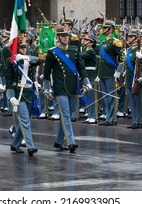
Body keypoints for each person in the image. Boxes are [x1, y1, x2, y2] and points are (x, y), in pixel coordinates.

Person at [43, 25, 92, 153]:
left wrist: (86, 81)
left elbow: (81, 67)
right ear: (58, 37)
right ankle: (71, 141)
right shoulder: (52, 52)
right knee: (65, 114)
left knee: (68, 115)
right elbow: (47, 72)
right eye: (63, 36)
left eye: (67, 36)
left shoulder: (74, 50)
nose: (66, 38)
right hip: (59, 88)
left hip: (72, 87)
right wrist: (46, 88)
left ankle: (58, 141)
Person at [5, 39, 40, 156]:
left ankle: (15, 144)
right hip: (18, 93)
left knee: (24, 122)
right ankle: (31, 146)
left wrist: (25, 58)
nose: (24, 50)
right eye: (21, 48)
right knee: (25, 120)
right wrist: (10, 97)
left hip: (29, 93)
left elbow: (39, 60)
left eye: (25, 48)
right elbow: (8, 82)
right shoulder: (11, 62)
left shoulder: (28, 61)